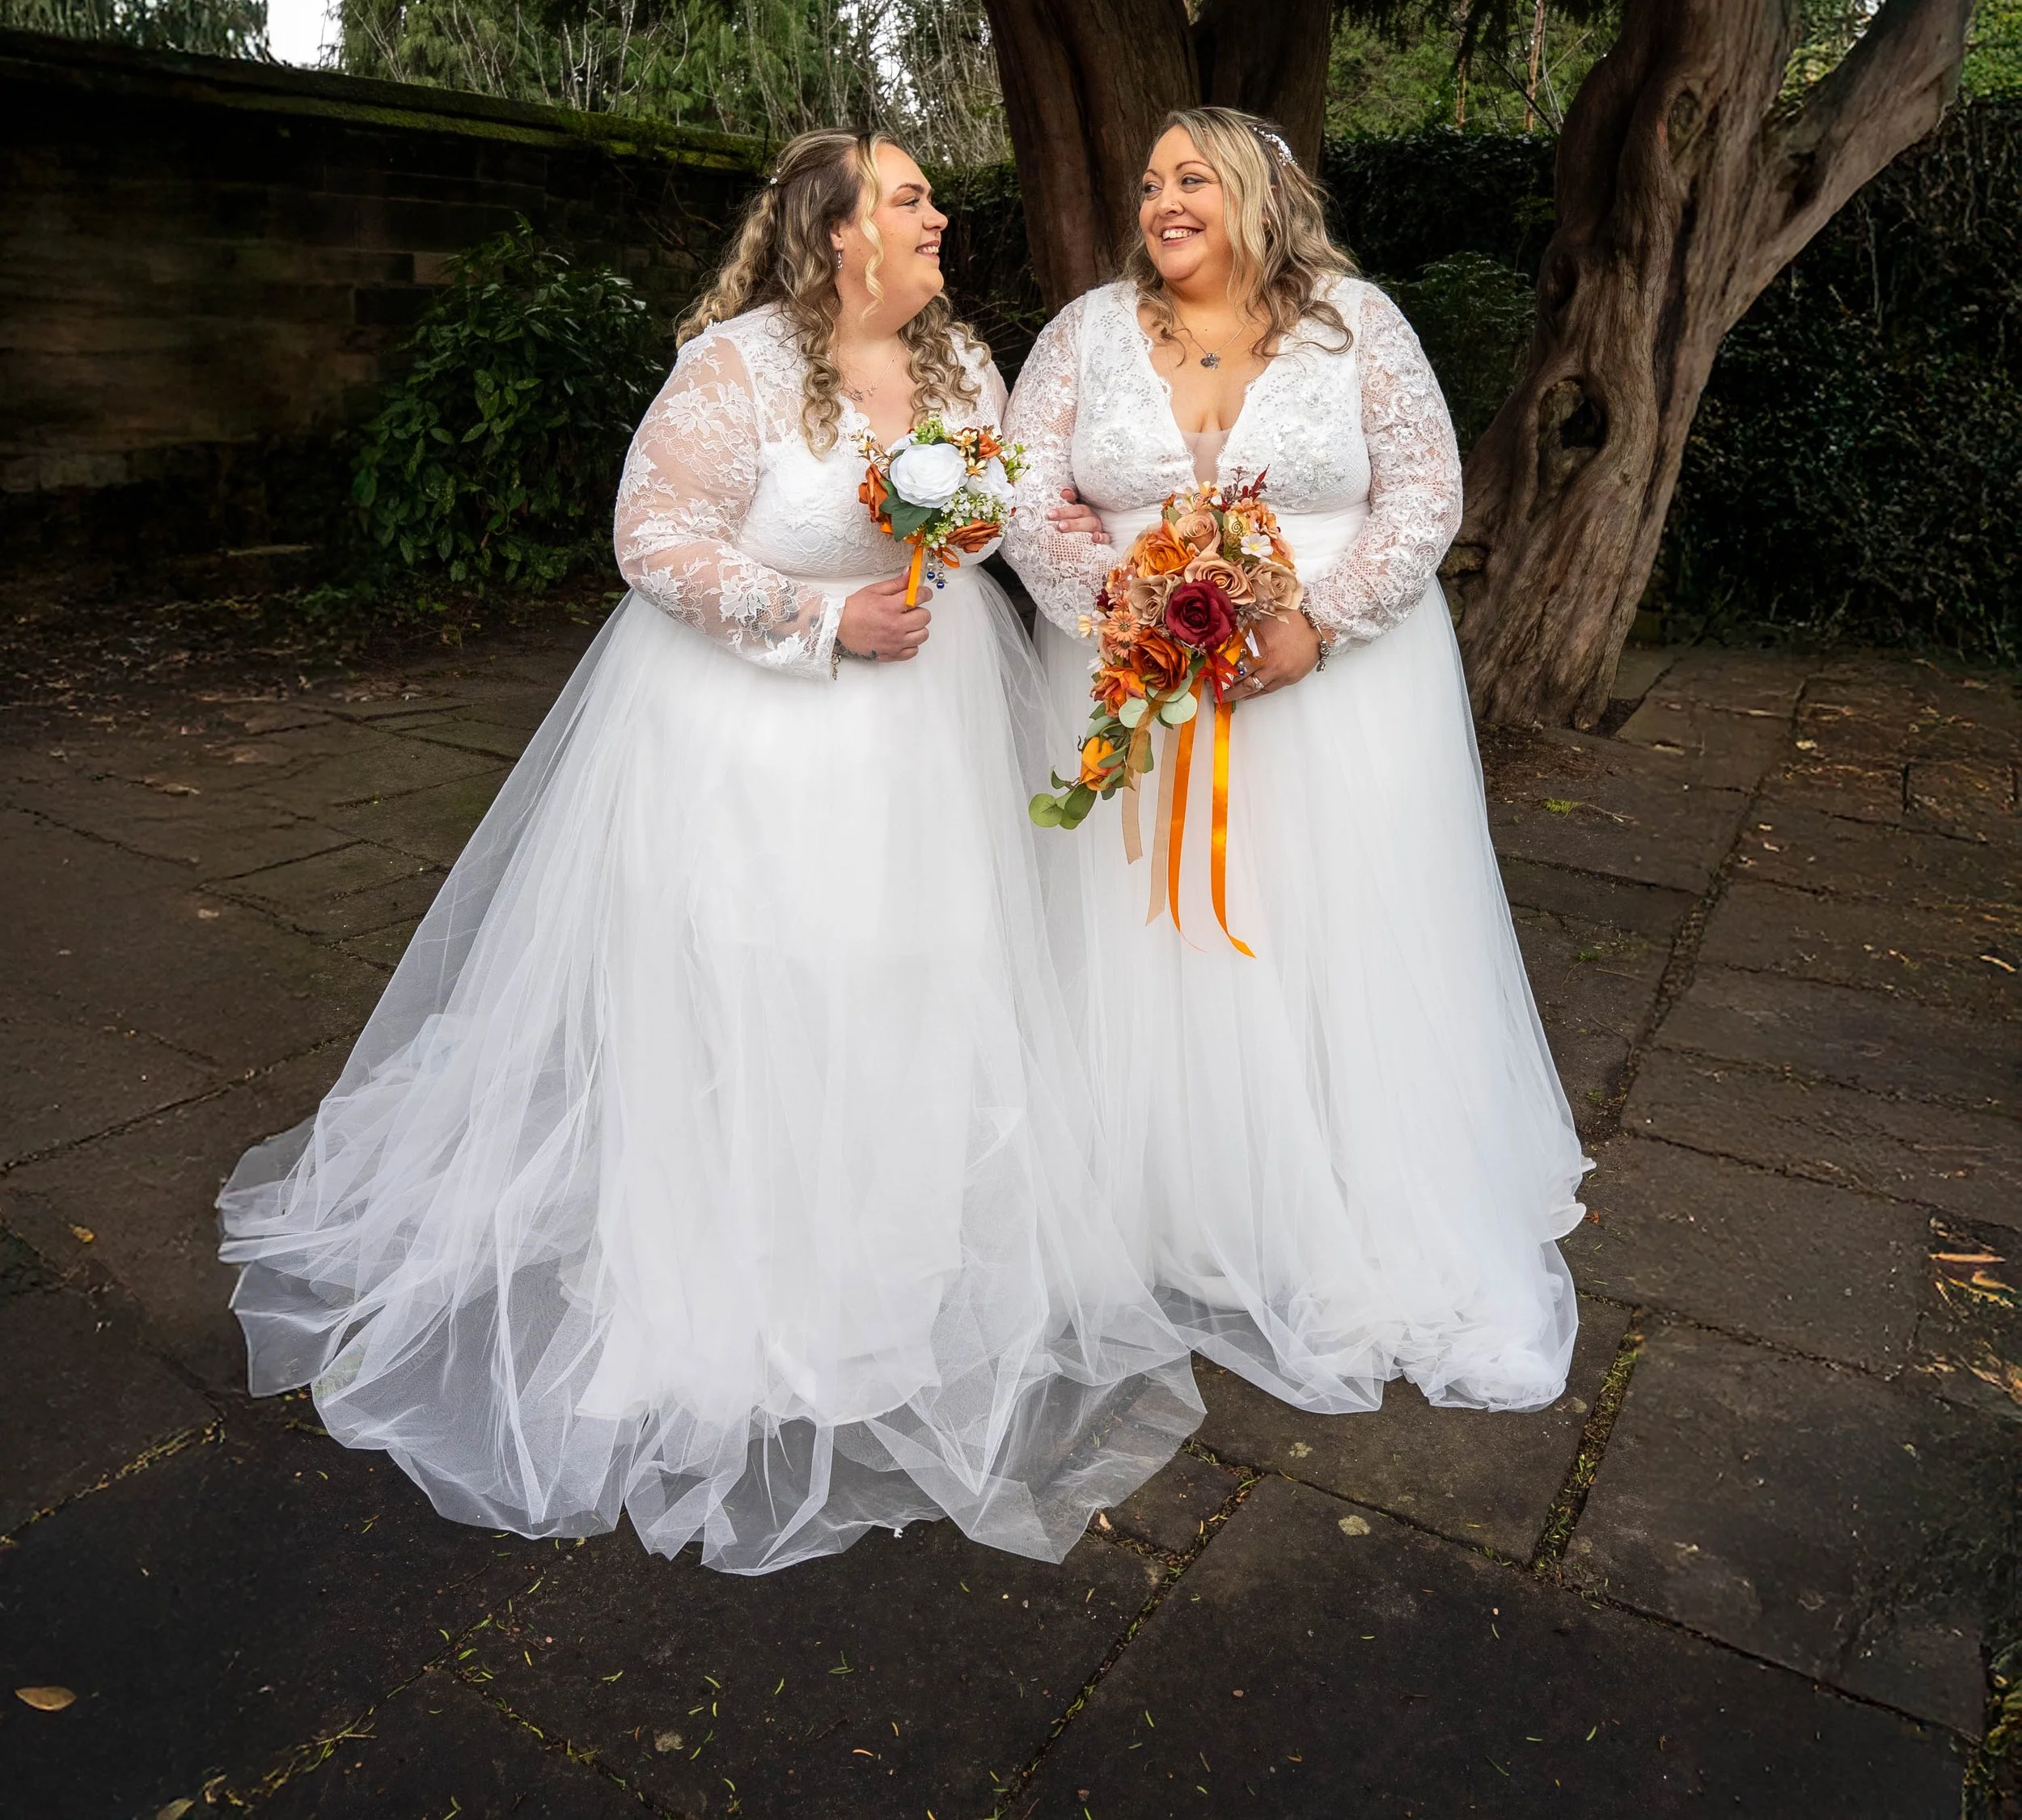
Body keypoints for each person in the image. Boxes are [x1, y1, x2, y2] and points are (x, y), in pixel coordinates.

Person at [219, 129, 1199, 1574]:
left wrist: (960, 523)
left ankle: (887, 1252)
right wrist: (821, 622)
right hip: (754, 732)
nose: (941, 215)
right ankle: (743, 1265)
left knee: (915, 975)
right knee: (761, 980)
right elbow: (651, 536)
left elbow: (985, 518)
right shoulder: (737, 367)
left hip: (922, 731)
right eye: (912, 196)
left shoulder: (956, 363)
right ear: (838, 233)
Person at [1004, 106, 1588, 1414]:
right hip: (1135, 690)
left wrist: (1313, 624)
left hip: (1338, 696)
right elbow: (1024, 490)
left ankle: (1346, 1200)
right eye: (1150, 178)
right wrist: (1129, 609)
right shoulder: (1084, 335)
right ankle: (1170, 1207)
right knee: (1146, 950)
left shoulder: (1355, 324)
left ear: (1260, 192)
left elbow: (1427, 492)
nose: (1162, 199)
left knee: (1329, 935)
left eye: (1192, 176)